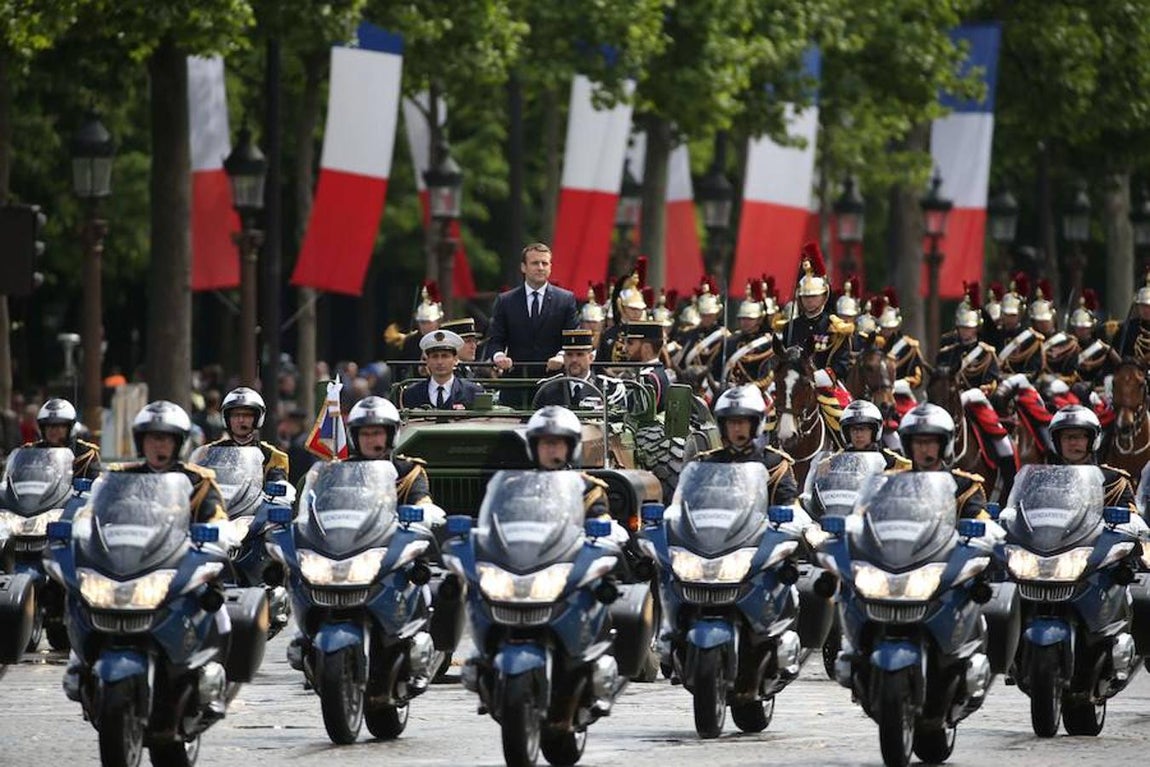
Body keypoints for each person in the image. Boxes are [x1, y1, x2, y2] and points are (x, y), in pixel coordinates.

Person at [935, 290, 1018, 498]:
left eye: (970, 328)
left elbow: (992, 382)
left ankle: (1009, 488)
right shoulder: (947, 352)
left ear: (977, 328)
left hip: (976, 403)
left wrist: (974, 393)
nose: (966, 332)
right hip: (948, 403)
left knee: (1004, 444)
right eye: (963, 327)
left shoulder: (986, 353)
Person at [777, 242, 856, 430]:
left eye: (814, 296)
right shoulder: (790, 327)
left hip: (827, 388)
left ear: (824, 296)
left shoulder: (836, 327)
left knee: (845, 421)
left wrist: (817, 377)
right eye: (805, 297)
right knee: (768, 418)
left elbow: (842, 365)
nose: (809, 300)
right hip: (793, 387)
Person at [112, 401, 226, 524]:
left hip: (179, 542)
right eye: (152, 438)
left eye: (165, 439)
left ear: (178, 444)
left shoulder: (197, 481)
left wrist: (219, 527)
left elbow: (216, 516)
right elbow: (94, 512)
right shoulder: (121, 477)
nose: (158, 445)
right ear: (140, 442)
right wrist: (87, 523)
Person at [487, 243, 580, 376]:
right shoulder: (506, 301)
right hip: (517, 379)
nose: (540, 268)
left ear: (550, 267)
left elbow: (572, 338)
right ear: (523, 267)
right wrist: (499, 356)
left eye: (545, 263)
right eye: (535, 263)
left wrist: (561, 357)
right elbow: (495, 339)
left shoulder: (565, 299)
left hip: (554, 378)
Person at [697, 385, 798, 506]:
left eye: (742, 422)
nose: (736, 428)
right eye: (731, 422)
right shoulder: (707, 464)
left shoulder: (774, 464)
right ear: (722, 425)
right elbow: (688, 504)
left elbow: (789, 504)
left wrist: (786, 515)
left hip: (761, 524)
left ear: (756, 423)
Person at [896, 403, 989, 520]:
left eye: (930, 442)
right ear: (907, 445)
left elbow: (979, 521)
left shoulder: (964, 486)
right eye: (918, 442)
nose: (924, 449)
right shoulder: (895, 483)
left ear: (944, 444)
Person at [345, 396, 438, 509]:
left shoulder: (407, 472)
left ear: (390, 436)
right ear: (354, 438)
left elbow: (421, 500)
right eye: (364, 434)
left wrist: (426, 508)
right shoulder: (343, 471)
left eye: (377, 433)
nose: (370, 440)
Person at [524, 405, 610, 520]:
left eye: (557, 443)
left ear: (571, 447)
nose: (551, 450)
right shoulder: (515, 487)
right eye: (545, 443)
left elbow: (600, 527)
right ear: (533, 447)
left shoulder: (587, 489)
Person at [1046, 404, 1136, 512]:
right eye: (1067, 437)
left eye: (1080, 436)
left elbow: (1131, 523)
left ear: (1094, 440)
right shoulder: (1045, 480)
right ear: (1056, 442)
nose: (1073, 443)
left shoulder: (1113, 481)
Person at [205, 387, 290, 485]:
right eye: (235, 415)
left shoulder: (272, 455)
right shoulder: (210, 451)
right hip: (220, 500)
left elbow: (279, 483)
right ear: (227, 418)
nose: (241, 420)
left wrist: (278, 484)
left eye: (247, 415)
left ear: (258, 418)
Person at [534, 329, 624, 409]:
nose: (574, 360)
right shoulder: (548, 388)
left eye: (580, 354)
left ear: (591, 358)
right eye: (569, 354)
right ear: (564, 358)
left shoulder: (609, 388)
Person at [399, 330, 484, 409]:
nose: (440, 362)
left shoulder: (473, 392)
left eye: (445, 356)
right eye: (435, 356)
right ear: (427, 360)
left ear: (455, 359)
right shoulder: (411, 393)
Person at [25, 398, 100, 480]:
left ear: (70, 428)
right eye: (48, 426)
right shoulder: (31, 451)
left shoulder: (85, 454)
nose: (53, 431)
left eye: (59, 426)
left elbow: (94, 485)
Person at [838, 400, 911, 470]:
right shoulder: (836, 460)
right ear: (847, 433)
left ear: (874, 431)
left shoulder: (894, 463)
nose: (859, 435)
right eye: (854, 430)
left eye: (863, 429)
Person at [624, 321, 671, 411]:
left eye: (630, 343)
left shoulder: (649, 378)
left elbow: (637, 414)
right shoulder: (655, 373)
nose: (624, 348)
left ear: (646, 348)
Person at [1117, 273, 1150, 367]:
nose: (1146, 310)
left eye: (1149, 307)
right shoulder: (1126, 328)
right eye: (1143, 306)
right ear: (1138, 307)